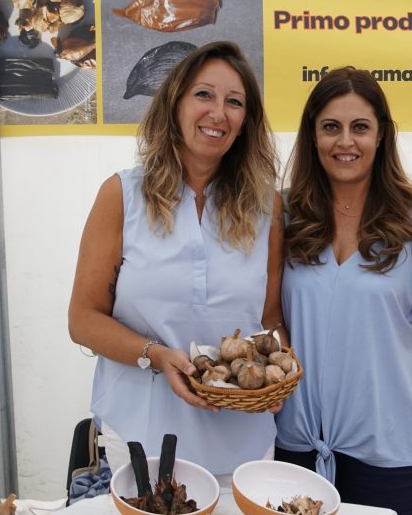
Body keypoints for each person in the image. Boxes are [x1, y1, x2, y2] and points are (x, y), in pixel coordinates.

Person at [68, 41, 284, 482]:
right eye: (203, 94)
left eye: (235, 102)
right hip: (140, 436)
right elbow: (83, 319)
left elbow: (269, 318)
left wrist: (279, 373)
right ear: (174, 104)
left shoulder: (268, 208)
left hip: (243, 438)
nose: (218, 113)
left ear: (245, 123)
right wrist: (158, 355)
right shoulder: (121, 196)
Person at [274, 66, 412, 515]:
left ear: (381, 135)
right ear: (312, 136)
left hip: (389, 454)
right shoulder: (283, 213)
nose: (346, 142)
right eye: (331, 128)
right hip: (296, 449)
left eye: (360, 127)